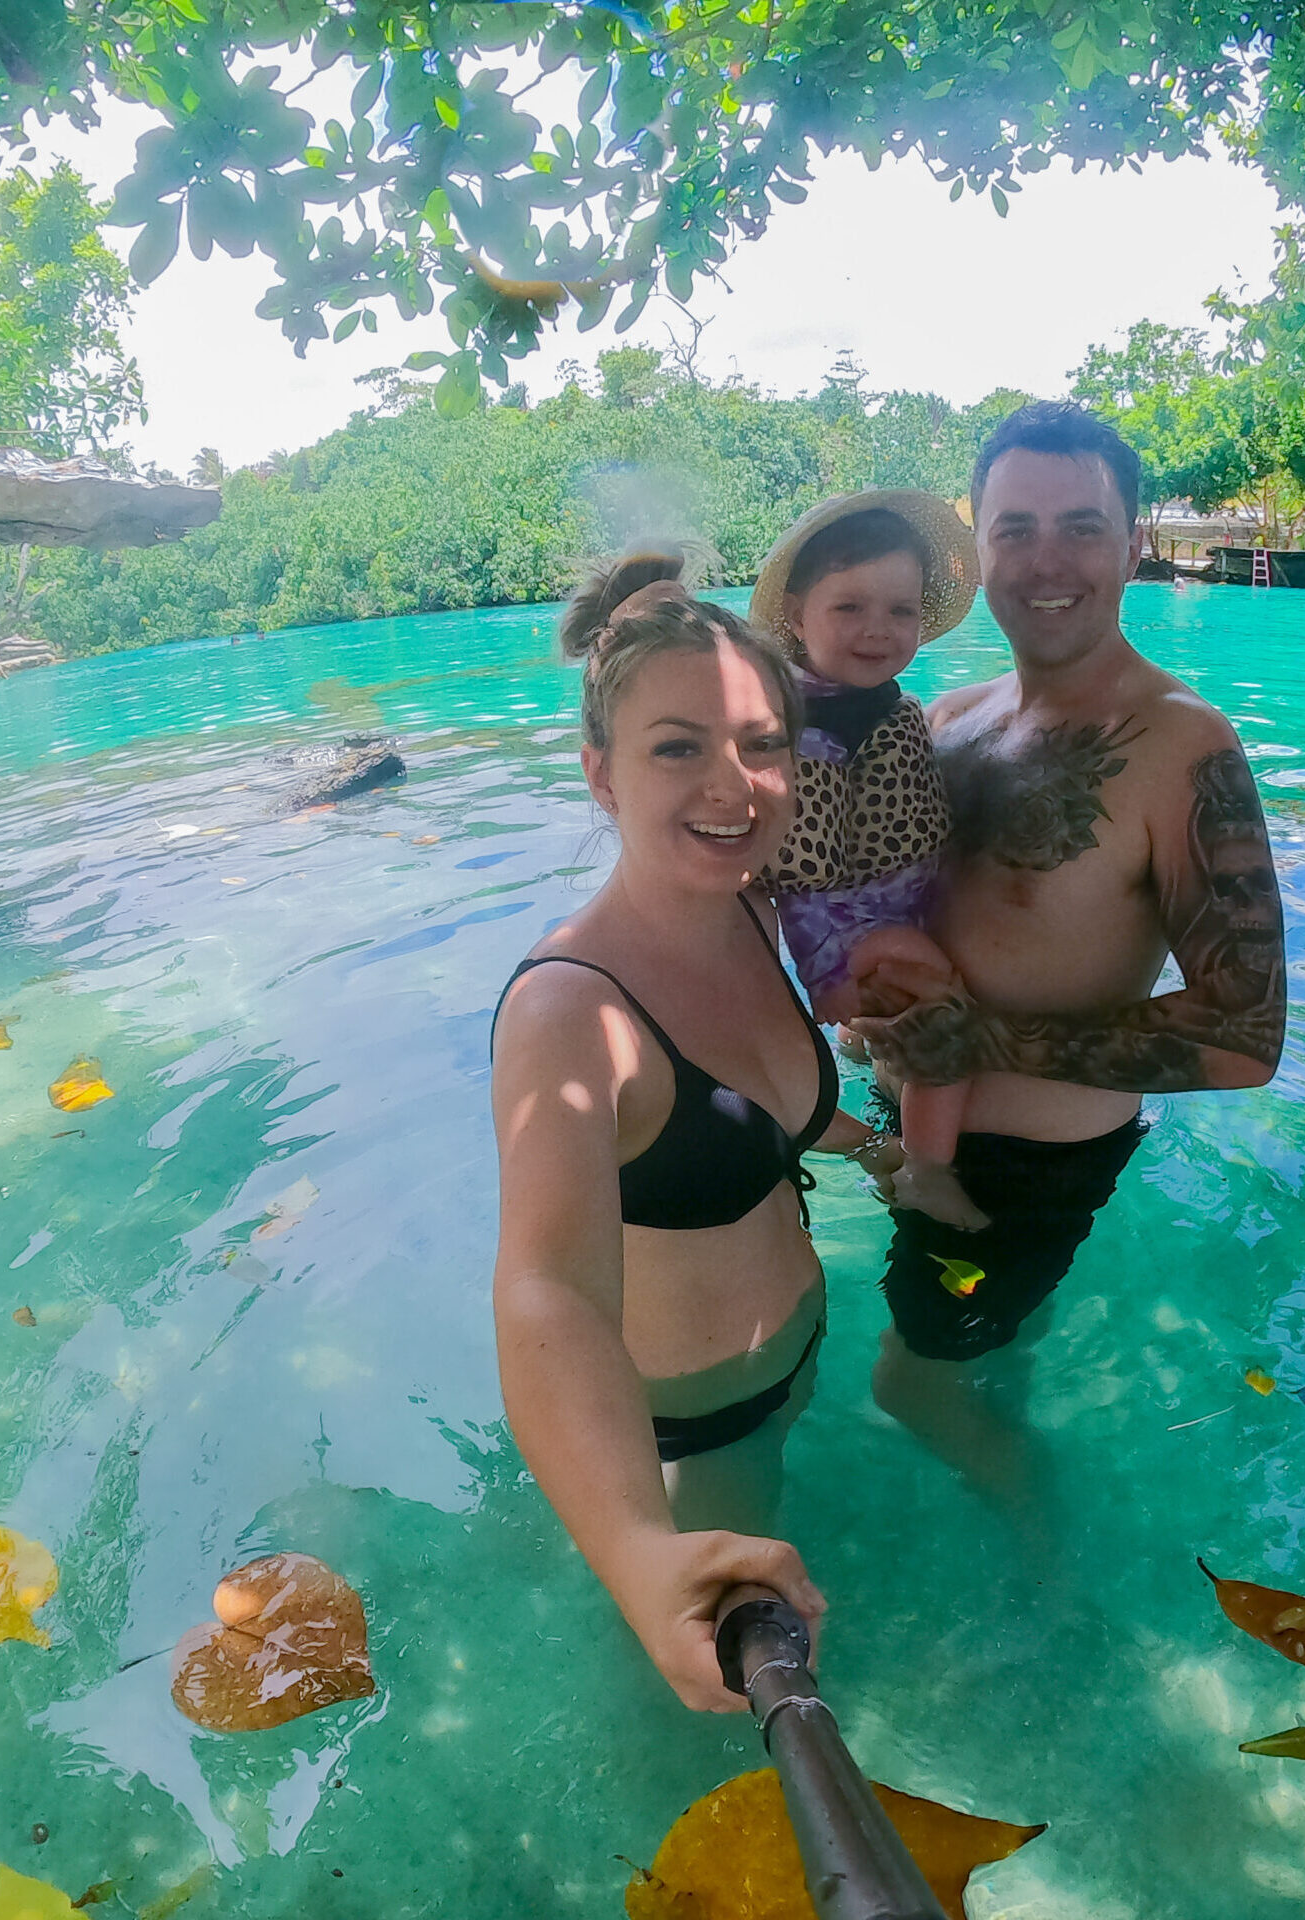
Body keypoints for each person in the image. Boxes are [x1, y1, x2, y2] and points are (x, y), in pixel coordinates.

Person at [855, 401, 1288, 1506]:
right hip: (906, 1134)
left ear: (1134, 543)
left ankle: (1045, 1560)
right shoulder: (945, 719)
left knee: (913, 1390)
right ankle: (1019, 1401)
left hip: (1021, 1185)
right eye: (1016, 529)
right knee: (982, 1356)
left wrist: (982, 1041)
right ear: (979, 545)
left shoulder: (1181, 745)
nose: (1048, 561)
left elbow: (1246, 1039)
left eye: (1082, 526)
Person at [489, 559, 886, 1712]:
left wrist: (880, 1154)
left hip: (795, 1357)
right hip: (690, 1427)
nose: (736, 784)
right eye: (679, 748)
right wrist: (632, 1549)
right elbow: (546, 1289)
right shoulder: (571, 1013)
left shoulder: (750, 910)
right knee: (695, 1700)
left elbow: (768, 1107)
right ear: (600, 778)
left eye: (763, 745)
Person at [749, 491, 990, 1229]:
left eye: (900, 612)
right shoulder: (799, 724)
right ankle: (926, 1169)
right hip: (851, 936)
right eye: (849, 608)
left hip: (870, 921)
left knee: (906, 1014)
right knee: (952, 1024)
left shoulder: (873, 705)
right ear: (796, 614)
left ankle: (860, 1045)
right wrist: (841, 971)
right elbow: (801, 864)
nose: (876, 631)